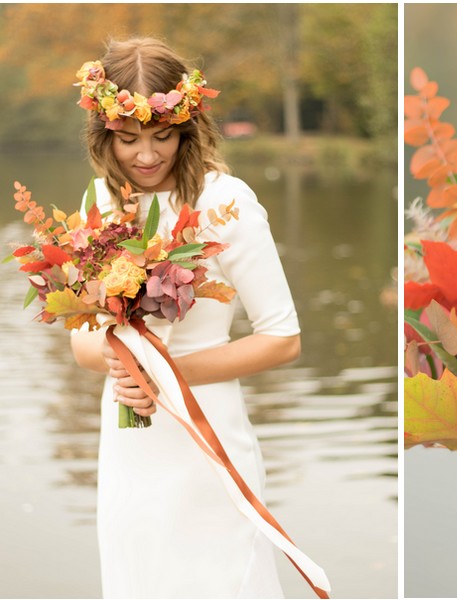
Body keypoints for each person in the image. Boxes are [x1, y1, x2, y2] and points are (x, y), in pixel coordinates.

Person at [69, 37, 308, 598]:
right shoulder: (99, 202)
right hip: (129, 445)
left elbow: (282, 340)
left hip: (206, 435)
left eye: (163, 136)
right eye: (128, 139)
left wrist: (165, 374)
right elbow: (81, 342)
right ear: (105, 135)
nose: (146, 155)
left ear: (187, 128)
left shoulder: (228, 202)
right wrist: (117, 358)